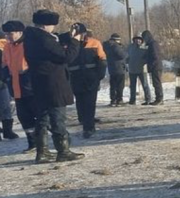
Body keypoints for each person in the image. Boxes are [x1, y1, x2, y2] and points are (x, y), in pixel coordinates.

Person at [23, 9, 84, 163]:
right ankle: (63, 150)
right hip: (53, 82)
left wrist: (67, 35)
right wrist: (75, 40)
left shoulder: (32, 37)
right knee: (58, 116)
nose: (53, 28)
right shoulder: (44, 40)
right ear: (46, 25)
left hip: (40, 82)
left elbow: (53, 41)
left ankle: (42, 151)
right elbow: (65, 56)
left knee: (42, 117)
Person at [2, 20, 42, 152]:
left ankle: (43, 142)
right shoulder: (7, 47)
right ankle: (32, 142)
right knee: (24, 117)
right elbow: (5, 65)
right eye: (6, 34)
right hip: (15, 86)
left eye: (10, 34)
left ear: (20, 32)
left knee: (39, 114)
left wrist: (28, 74)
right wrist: (5, 76)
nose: (8, 37)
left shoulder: (28, 44)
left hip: (31, 86)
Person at [68, 25, 106, 139]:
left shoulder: (95, 43)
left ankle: (89, 127)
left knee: (90, 102)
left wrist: (99, 76)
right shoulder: (70, 44)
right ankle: (83, 120)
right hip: (76, 78)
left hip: (91, 78)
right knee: (80, 101)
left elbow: (102, 60)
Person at [0, 31, 20, 141]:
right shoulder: (6, 46)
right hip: (4, 81)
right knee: (6, 107)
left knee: (6, 107)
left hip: (3, 81)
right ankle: (8, 131)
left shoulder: (4, 46)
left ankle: (7, 131)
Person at [103, 33, 127, 106]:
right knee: (120, 85)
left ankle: (113, 100)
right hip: (119, 68)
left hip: (111, 68)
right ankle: (119, 100)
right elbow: (122, 55)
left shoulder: (107, 46)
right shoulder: (115, 46)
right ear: (116, 40)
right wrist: (126, 53)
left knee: (113, 85)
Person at [141, 30, 163, 105]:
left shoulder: (153, 44)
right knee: (155, 83)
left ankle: (159, 98)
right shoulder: (151, 44)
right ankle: (158, 98)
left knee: (157, 83)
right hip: (155, 66)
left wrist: (151, 64)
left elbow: (155, 56)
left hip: (156, 66)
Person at [127, 35, 150, 105]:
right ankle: (132, 100)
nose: (137, 41)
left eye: (139, 39)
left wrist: (144, 62)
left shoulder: (145, 48)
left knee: (145, 85)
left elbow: (148, 57)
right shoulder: (130, 47)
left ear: (142, 40)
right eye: (136, 39)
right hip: (132, 69)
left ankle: (148, 99)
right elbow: (126, 56)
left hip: (142, 69)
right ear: (133, 40)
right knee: (132, 86)